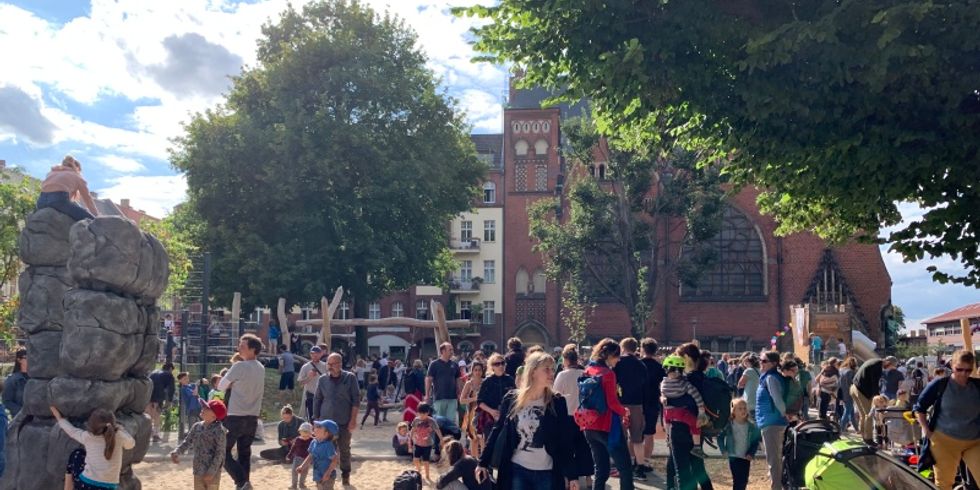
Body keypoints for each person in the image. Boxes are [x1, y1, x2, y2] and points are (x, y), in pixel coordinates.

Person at [475, 351, 580, 490]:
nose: (552, 373)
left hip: (547, 471)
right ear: (533, 372)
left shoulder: (557, 402)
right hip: (517, 469)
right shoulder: (512, 399)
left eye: (553, 369)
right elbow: (497, 430)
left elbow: (565, 441)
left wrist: (572, 475)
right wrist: (482, 462)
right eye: (546, 369)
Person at [914, 349, 980, 490]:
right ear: (952, 366)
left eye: (968, 370)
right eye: (959, 369)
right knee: (944, 484)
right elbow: (920, 408)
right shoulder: (939, 385)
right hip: (944, 441)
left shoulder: (977, 386)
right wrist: (927, 431)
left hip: (974, 441)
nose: (963, 373)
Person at [579, 338, 633, 490]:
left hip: (589, 425)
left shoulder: (588, 369)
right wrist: (625, 411)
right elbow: (612, 403)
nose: (619, 360)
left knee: (601, 469)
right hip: (608, 427)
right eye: (617, 356)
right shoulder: (608, 374)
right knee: (625, 468)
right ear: (609, 355)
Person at [218, 333, 266, 490]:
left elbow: (220, 386)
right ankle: (244, 483)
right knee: (244, 452)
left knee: (222, 452)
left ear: (252, 350)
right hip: (252, 417)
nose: (239, 347)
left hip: (235, 416)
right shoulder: (261, 368)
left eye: (242, 346)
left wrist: (232, 384)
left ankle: (241, 481)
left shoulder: (239, 366)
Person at [52, 406, 135, 490]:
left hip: (86, 485)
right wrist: (121, 429)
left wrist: (59, 418)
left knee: (77, 454)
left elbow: (72, 431)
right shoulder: (119, 436)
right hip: (110, 487)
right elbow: (131, 444)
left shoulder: (88, 437)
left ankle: (68, 488)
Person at [313, 353, 360, 486]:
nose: (330, 366)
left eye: (333, 364)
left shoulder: (350, 378)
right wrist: (315, 420)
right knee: (326, 450)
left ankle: (345, 474)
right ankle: (327, 476)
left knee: (344, 449)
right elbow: (317, 400)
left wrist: (353, 419)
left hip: (344, 421)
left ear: (340, 364)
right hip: (325, 422)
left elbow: (356, 400)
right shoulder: (322, 380)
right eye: (328, 363)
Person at [661, 354, 707, 489]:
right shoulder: (688, 382)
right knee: (696, 469)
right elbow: (696, 397)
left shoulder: (664, 383)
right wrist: (701, 411)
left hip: (675, 424)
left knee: (680, 469)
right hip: (684, 421)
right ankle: (697, 446)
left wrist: (665, 400)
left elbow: (665, 402)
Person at [552, 344, 594, 486]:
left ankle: (568, 478)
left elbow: (555, 394)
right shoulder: (585, 374)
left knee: (567, 448)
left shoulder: (562, 375)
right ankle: (588, 478)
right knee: (584, 447)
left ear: (566, 360)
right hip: (584, 416)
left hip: (568, 416)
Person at [170, 399, 228, 490]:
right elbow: (187, 442)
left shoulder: (219, 431)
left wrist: (211, 472)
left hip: (212, 473)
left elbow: (220, 453)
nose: (203, 408)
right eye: (204, 406)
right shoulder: (197, 426)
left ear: (214, 416)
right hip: (198, 469)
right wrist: (176, 452)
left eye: (207, 408)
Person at [612, 337, 648, 478]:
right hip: (637, 404)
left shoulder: (619, 363)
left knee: (622, 436)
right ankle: (640, 467)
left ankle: (624, 467)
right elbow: (645, 386)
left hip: (621, 403)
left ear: (623, 347)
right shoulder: (641, 365)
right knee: (637, 438)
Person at [755, 351, 788, 490]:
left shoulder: (771, 378)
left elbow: (778, 400)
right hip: (769, 421)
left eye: (764, 361)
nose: (760, 363)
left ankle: (776, 487)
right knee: (773, 457)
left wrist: (784, 414)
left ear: (774, 363)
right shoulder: (768, 377)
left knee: (773, 459)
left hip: (773, 422)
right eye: (760, 360)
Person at [37, 155, 99, 221]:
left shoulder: (52, 172)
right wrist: (96, 216)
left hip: (41, 202)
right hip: (58, 201)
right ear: (77, 168)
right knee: (90, 219)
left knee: (73, 206)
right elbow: (88, 199)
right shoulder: (76, 176)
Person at [717, 399, 761, 490]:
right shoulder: (729, 425)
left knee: (744, 480)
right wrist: (723, 450)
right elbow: (720, 437)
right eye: (740, 409)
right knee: (737, 480)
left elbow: (755, 442)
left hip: (745, 457)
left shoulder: (751, 426)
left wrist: (751, 453)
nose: (743, 410)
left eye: (744, 408)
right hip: (734, 456)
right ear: (734, 411)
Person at [639, 338, 665, 477]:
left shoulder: (638, 365)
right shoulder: (659, 367)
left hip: (638, 402)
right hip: (653, 403)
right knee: (650, 433)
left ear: (642, 349)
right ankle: (647, 461)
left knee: (636, 434)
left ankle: (637, 461)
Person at [476, 353, 516, 439]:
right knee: (490, 444)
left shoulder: (510, 380)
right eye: (497, 364)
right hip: (490, 418)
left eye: (502, 363)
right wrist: (492, 411)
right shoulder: (487, 381)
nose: (500, 366)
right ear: (492, 367)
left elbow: (516, 398)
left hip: (507, 417)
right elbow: (479, 401)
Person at [296, 419, 340, 490]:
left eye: (319, 427)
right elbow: (310, 456)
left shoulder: (328, 445)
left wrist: (328, 473)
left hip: (328, 477)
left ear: (326, 433)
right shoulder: (314, 442)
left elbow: (334, 460)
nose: (315, 428)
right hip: (317, 474)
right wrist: (302, 466)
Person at [851, 356, 885, 442]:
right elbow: (875, 381)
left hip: (854, 387)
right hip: (861, 390)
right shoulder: (877, 365)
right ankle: (868, 439)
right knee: (869, 415)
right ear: (887, 363)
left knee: (863, 415)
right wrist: (877, 397)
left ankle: (863, 437)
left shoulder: (872, 361)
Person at [426, 342, 462, 423]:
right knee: (439, 421)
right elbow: (429, 379)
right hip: (439, 397)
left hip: (452, 398)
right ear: (443, 351)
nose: (452, 351)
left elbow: (458, 380)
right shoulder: (434, 364)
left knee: (451, 421)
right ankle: (440, 436)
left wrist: (460, 392)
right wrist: (427, 395)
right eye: (450, 349)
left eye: (452, 349)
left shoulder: (455, 364)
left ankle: (449, 436)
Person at [459, 360, 486, 458]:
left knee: (483, 439)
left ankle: (483, 463)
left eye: (479, 370)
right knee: (473, 439)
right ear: (472, 371)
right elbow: (462, 400)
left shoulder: (485, 382)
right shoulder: (469, 384)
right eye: (476, 370)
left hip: (484, 415)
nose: (478, 372)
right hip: (471, 414)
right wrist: (474, 399)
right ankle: (474, 463)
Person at [410, 403, 443, 480]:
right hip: (417, 443)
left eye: (423, 414)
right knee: (415, 459)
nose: (421, 415)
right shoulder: (416, 420)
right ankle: (419, 470)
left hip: (427, 445)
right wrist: (411, 437)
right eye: (420, 413)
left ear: (427, 413)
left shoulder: (431, 421)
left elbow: (437, 430)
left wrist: (441, 439)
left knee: (426, 461)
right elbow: (413, 429)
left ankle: (427, 475)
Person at [148, 362, 176, 442]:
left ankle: (148, 433)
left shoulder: (153, 372)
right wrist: (169, 401)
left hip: (148, 395)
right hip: (158, 396)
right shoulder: (169, 375)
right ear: (170, 369)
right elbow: (171, 389)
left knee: (149, 415)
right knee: (157, 415)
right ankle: (155, 435)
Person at [298, 346, 327, 421]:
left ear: (321, 354)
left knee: (323, 418)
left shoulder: (325, 366)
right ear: (310, 354)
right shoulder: (305, 367)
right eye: (313, 353)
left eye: (317, 353)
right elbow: (300, 383)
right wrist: (309, 377)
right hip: (311, 395)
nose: (315, 355)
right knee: (312, 418)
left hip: (323, 395)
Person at [288, 423, 314, 489]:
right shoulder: (298, 439)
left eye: (307, 436)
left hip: (306, 460)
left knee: (304, 473)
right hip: (297, 458)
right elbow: (293, 448)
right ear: (300, 432)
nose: (305, 438)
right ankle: (294, 485)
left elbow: (315, 450)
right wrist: (289, 455)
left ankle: (301, 484)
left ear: (311, 433)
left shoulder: (312, 440)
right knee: (294, 472)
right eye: (303, 436)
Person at [3, 347, 27, 418]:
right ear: (19, 360)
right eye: (26, 357)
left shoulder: (37, 379)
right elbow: (6, 401)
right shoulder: (12, 380)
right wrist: (23, 412)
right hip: (20, 420)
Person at [737, 355, 761, 419]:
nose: (744, 365)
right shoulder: (760, 370)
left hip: (750, 400)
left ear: (749, 362)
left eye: (745, 362)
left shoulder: (749, 371)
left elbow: (740, 384)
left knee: (750, 421)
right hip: (759, 399)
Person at [838, 356, 858, 432]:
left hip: (842, 393)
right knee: (847, 412)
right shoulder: (850, 372)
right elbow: (850, 384)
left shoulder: (841, 370)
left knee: (851, 412)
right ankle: (841, 429)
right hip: (848, 394)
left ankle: (857, 429)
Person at [178, 372, 201, 437]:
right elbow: (194, 393)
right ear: (180, 381)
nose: (186, 380)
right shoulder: (184, 388)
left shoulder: (191, 385)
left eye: (187, 378)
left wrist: (200, 382)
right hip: (192, 409)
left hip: (199, 407)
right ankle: (190, 441)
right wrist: (196, 385)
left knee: (202, 424)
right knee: (192, 427)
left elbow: (197, 386)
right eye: (184, 379)